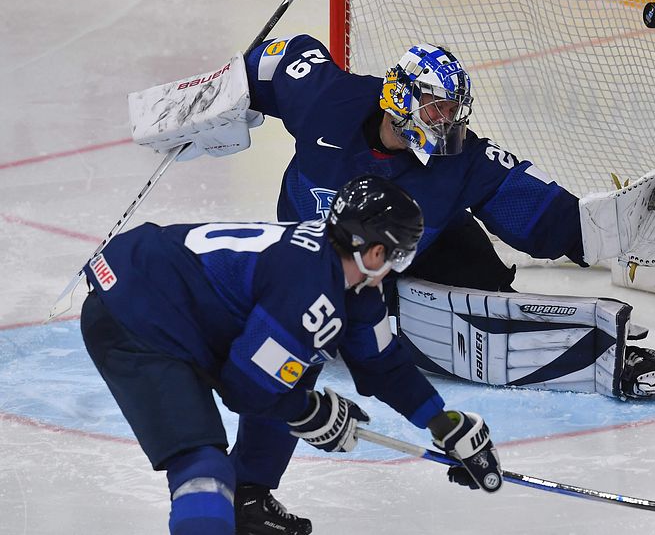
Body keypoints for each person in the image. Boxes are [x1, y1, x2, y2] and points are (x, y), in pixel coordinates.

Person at [237, 35, 655, 400]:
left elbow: (544, 217)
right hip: (314, 249)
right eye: (438, 107)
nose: (449, 121)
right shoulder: (331, 99)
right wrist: (224, 94)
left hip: (408, 253)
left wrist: (609, 228)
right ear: (401, 97)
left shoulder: (463, 159)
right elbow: (282, 58)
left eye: (454, 110)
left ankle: (557, 339)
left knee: (475, 267)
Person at [79, 175, 503, 535]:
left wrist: (444, 423)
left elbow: (381, 363)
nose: (396, 266)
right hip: (134, 309)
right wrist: (310, 411)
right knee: (203, 466)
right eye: (398, 254)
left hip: (173, 298)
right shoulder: (309, 290)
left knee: (295, 372)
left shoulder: (348, 279)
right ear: (376, 252)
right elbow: (245, 388)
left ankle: (248, 499)